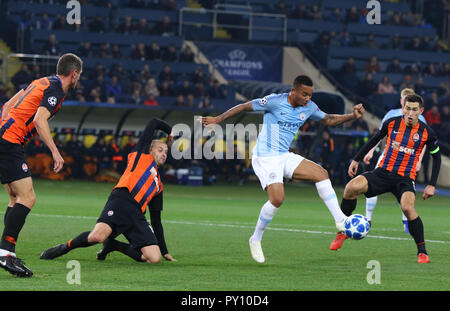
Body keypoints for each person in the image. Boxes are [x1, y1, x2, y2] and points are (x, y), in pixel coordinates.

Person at [200, 75, 365, 263]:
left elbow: (328, 119)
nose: (307, 98)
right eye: (304, 94)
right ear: (293, 91)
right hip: (265, 157)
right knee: (277, 199)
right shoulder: (274, 101)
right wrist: (219, 119)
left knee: (321, 174)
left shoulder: (309, 107)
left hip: (283, 155)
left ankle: (340, 220)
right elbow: (244, 106)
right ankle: (255, 239)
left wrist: (352, 116)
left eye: (310, 95)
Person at [40, 118, 176, 263]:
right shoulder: (140, 155)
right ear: (149, 149)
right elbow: (153, 122)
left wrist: (165, 250)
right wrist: (170, 131)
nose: (164, 154)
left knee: (154, 258)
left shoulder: (159, 186)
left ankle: (114, 245)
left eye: (166, 152)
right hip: (121, 201)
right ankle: (64, 248)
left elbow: (156, 220)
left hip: (137, 215)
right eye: (160, 150)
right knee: (97, 237)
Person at [330, 94, 441, 264]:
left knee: (407, 207)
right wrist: (356, 159)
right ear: (403, 108)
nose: (410, 113)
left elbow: (437, 157)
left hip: (404, 179)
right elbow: (375, 139)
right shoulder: (392, 123)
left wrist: (431, 185)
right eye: (408, 108)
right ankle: (343, 231)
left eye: (414, 110)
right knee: (351, 188)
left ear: (421, 111)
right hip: (382, 173)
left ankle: (422, 252)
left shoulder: (427, 132)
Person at [0, 53, 83, 277]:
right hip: (9, 142)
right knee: (28, 198)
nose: (78, 81)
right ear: (73, 74)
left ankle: (7, 252)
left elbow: (7, 105)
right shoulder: (56, 89)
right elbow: (39, 120)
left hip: (5, 137)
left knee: (15, 198)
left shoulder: (40, 81)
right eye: (79, 76)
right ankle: (5, 254)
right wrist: (55, 152)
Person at [361, 89, 427, 233]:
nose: (407, 104)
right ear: (401, 100)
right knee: (371, 185)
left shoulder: (419, 118)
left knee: (405, 192)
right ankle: (367, 219)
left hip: (408, 161)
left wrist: (419, 161)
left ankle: (406, 222)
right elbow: (380, 135)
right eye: (404, 100)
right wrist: (371, 151)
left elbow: (424, 142)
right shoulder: (391, 115)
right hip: (387, 158)